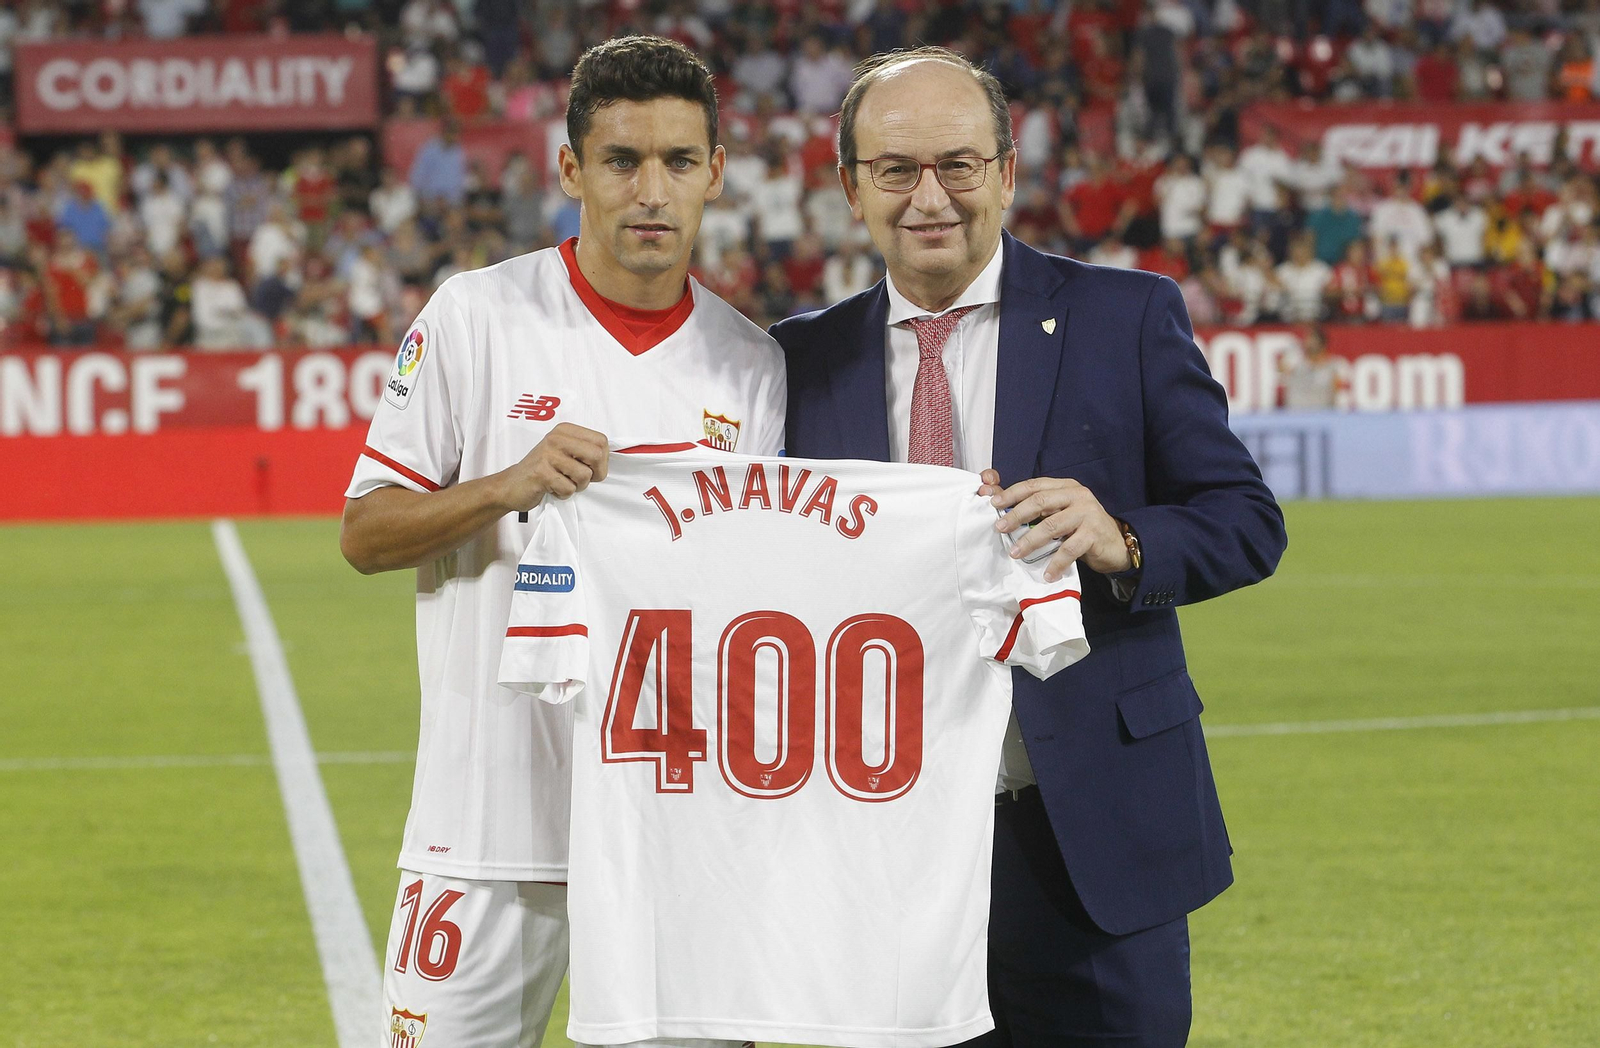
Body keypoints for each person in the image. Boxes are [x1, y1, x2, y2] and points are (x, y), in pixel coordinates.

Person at [771, 47, 1286, 1048]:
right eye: (897, 169)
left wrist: (1121, 538)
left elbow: (1244, 518)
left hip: (1089, 827)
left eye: (959, 165)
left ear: (1006, 173)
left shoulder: (1124, 316)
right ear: (851, 187)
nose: (931, 197)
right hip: (882, 848)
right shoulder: (797, 359)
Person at [339, 36, 785, 1048]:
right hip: (485, 823)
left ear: (716, 172)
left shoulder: (751, 365)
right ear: (572, 169)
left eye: (678, 161)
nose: (651, 190)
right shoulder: (476, 316)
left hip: (672, 832)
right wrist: (507, 485)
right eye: (622, 160)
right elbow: (365, 532)